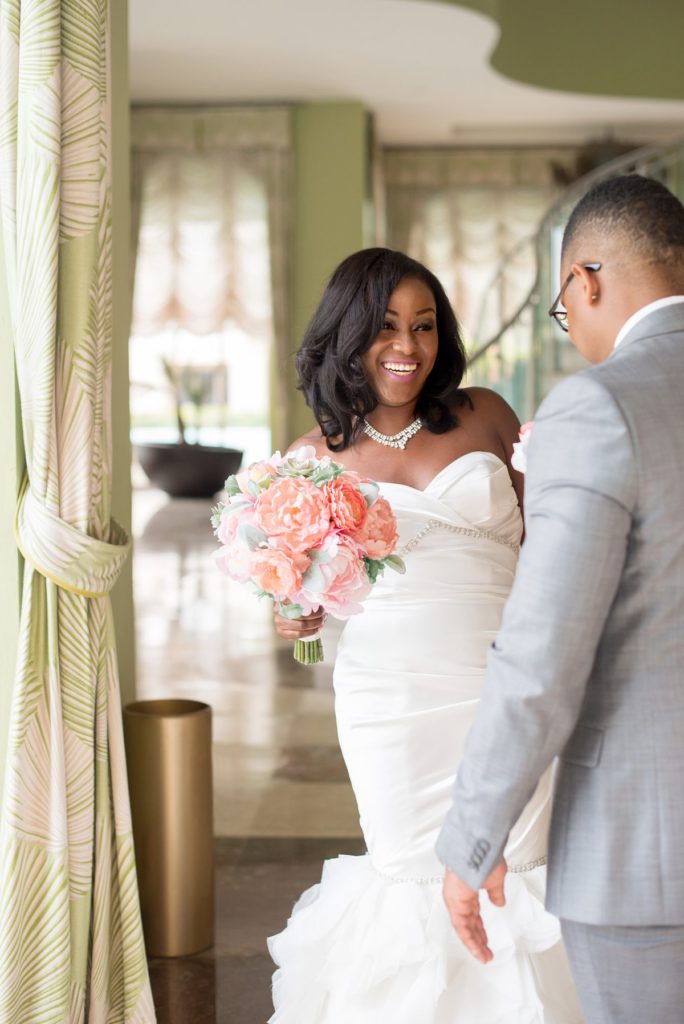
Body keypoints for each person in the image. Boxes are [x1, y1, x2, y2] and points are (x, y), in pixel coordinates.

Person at [267, 247, 582, 1023]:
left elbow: (557, 545)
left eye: (424, 326)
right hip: (391, 703)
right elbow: (294, 600)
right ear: (347, 335)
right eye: (384, 328)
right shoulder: (312, 461)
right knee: (412, 870)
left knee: (519, 862)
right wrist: (295, 614)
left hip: (510, 685)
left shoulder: (486, 414)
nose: (407, 348)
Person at [437, 173, 684, 1024]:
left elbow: (544, 657)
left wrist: (475, 836)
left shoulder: (601, 405)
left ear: (586, 279)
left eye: (562, 307)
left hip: (651, 861)